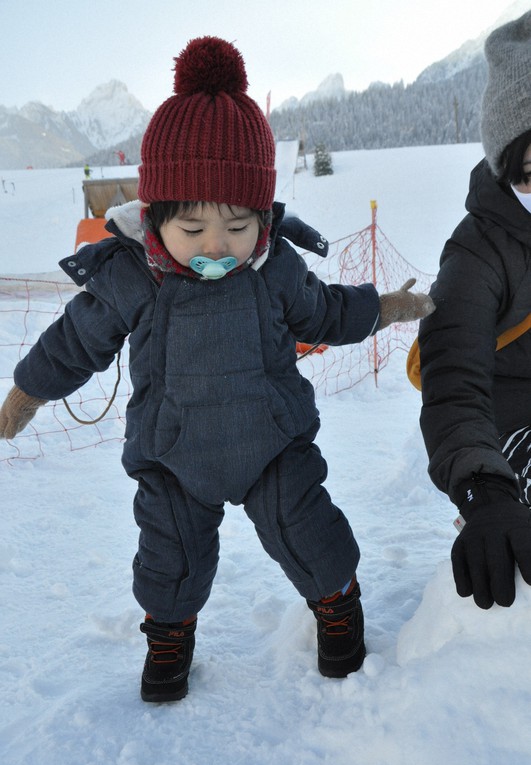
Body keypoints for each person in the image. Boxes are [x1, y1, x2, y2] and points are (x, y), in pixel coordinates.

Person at [0, 36, 434, 702]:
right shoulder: (133, 276)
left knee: (309, 532)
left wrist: (392, 306)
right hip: (172, 452)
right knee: (168, 557)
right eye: (193, 225)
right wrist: (28, 392)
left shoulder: (276, 270)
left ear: (262, 218)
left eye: (237, 225)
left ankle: (337, 607)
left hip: (272, 445)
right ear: (156, 216)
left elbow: (325, 314)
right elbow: (74, 341)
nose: (216, 245)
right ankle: (168, 638)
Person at [418, 11, 531, 612]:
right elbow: (453, 381)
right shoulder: (477, 251)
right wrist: (484, 489)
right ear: (508, 167)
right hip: (508, 424)